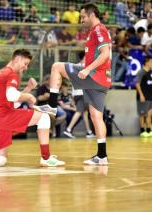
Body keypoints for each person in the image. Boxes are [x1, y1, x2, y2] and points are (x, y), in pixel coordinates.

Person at [38, 3, 111, 165]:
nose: (81, 20)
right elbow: (97, 54)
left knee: (56, 67)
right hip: (103, 80)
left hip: (94, 75)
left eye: (83, 16)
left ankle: (51, 106)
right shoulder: (95, 32)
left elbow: (105, 54)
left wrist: (87, 69)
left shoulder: (99, 30)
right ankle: (102, 155)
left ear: (92, 15)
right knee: (96, 116)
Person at [135, 56, 152, 137]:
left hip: (149, 97)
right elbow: (137, 84)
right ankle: (142, 131)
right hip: (143, 97)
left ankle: (149, 131)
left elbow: (151, 85)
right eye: (151, 61)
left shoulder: (151, 72)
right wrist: (141, 95)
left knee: (150, 114)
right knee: (142, 114)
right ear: (147, 62)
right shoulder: (141, 72)